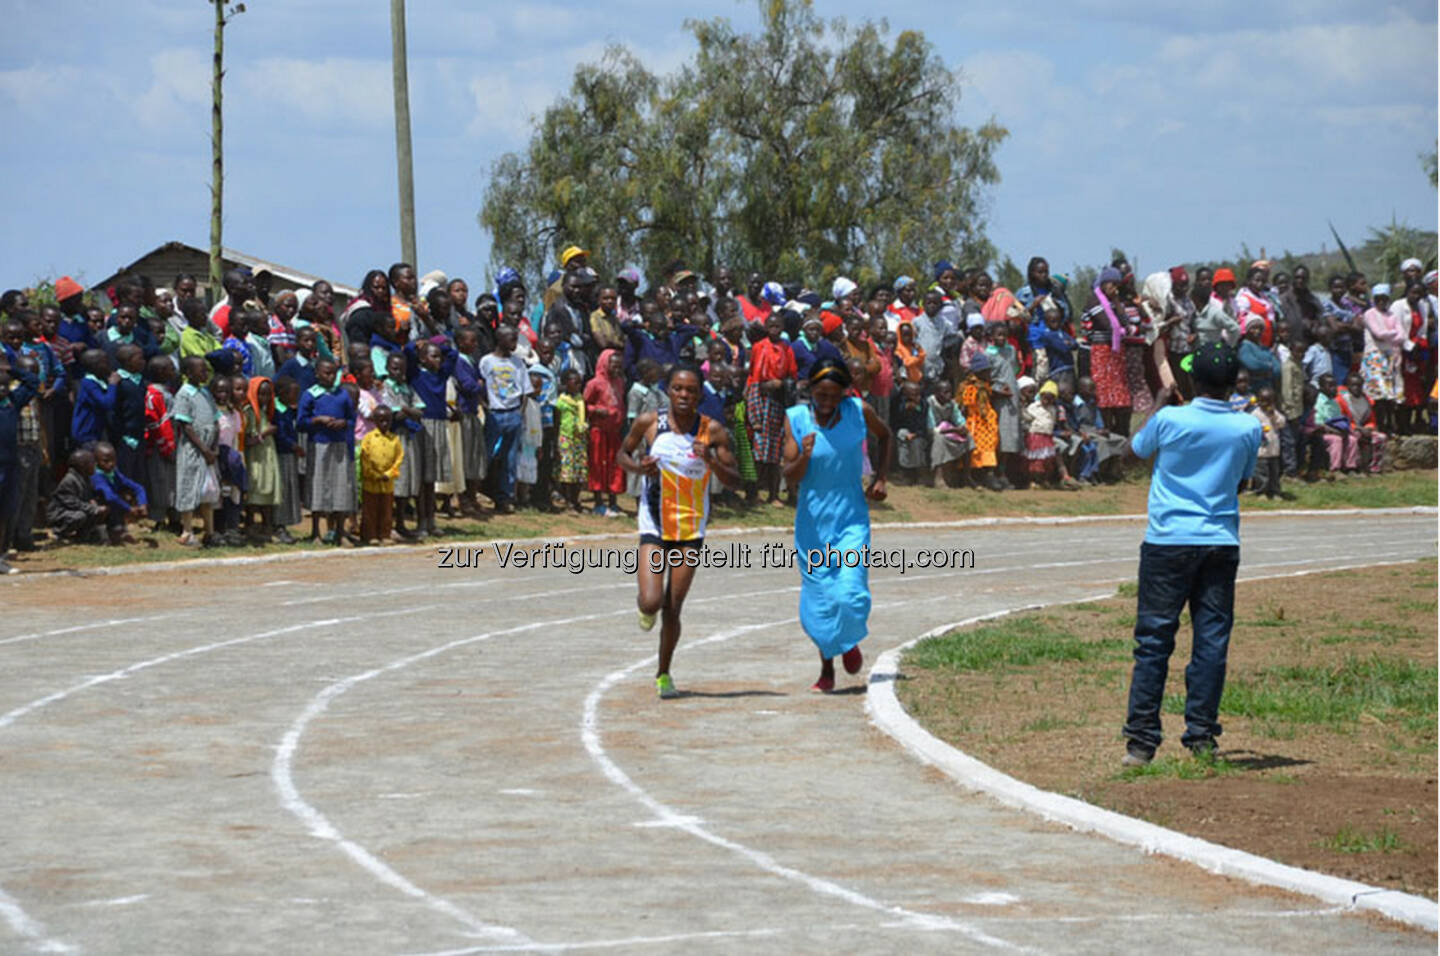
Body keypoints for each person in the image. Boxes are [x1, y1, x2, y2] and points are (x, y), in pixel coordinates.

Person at [1121, 342, 1262, 767]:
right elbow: (1241, 483)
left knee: (1153, 642)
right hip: (1220, 541)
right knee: (1211, 641)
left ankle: (1141, 743)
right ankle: (1201, 736)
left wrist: (1159, 405)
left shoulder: (1169, 418)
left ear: (1192, 380)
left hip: (1168, 541)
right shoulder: (1247, 427)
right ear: (1233, 383)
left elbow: (1131, 455)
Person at [618, 363, 741, 698]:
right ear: (668, 390)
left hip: (690, 527)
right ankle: (645, 607)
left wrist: (712, 460)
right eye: (677, 389)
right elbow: (622, 454)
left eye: (690, 390)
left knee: (673, 607)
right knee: (653, 600)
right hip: (655, 522)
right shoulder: (648, 424)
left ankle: (663, 672)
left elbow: (736, 479)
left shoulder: (713, 430)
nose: (684, 395)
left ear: (699, 393)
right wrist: (639, 469)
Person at [782, 357, 892, 693]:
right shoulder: (796, 419)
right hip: (812, 521)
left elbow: (885, 436)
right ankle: (827, 668)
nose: (827, 402)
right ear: (811, 390)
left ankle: (848, 641)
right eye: (821, 395)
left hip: (851, 518)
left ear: (844, 392)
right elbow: (790, 475)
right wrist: (804, 454)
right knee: (821, 598)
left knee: (850, 592)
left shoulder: (859, 411)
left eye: (833, 395)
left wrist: (880, 478)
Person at [298, 358, 356, 545]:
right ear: (317, 374)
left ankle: (340, 532)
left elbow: (352, 419)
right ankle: (316, 532)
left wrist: (344, 423)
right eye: (326, 373)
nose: (330, 377)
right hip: (319, 444)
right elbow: (301, 422)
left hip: (339, 445)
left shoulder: (342, 395)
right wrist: (317, 420)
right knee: (318, 486)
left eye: (333, 373)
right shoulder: (310, 395)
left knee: (341, 487)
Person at [746, 312, 798, 505]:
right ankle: (753, 493)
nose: (775, 330)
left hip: (777, 400)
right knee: (758, 451)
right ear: (766, 327)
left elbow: (792, 375)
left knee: (775, 453)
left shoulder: (786, 349)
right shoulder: (759, 347)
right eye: (771, 326)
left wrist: (781, 383)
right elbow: (753, 375)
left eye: (778, 327)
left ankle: (774, 495)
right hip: (759, 396)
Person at [480, 325, 533, 514]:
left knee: (510, 459)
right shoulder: (486, 361)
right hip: (494, 414)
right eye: (511, 339)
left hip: (513, 414)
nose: (514, 343)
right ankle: (477, 492)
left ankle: (505, 497)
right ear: (500, 339)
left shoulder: (518, 363)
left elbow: (525, 392)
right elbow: (480, 385)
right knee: (486, 455)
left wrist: (520, 412)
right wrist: (486, 408)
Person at [171, 356, 221, 547]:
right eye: (201, 370)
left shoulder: (205, 393)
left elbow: (216, 420)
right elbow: (186, 425)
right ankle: (187, 530)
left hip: (208, 447)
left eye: (206, 370)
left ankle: (210, 530)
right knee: (189, 486)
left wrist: (214, 446)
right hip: (194, 448)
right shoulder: (184, 394)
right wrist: (204, 448)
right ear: (188, 373)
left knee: (208, 490)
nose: (205, 374)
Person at [584, 348, 628, 517]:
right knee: (597, 464)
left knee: (614, 465)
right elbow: (584, 404)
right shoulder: (595, 383)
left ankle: (613, 502)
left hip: (614, 431)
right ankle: (598, 503)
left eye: (619, 366)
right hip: (599, 430)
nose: (617, 369)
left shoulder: (619, 382)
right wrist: (596, 410)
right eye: (613, 365)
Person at [359, 404, 404, 544]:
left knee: (386, 511)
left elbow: (399, 458)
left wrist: (389, 474)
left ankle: (385, 534)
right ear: (374, 421)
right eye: (381, 420)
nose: (384, 424)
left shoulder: (395, 439)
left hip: (387, 483)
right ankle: (370, 535)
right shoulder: (369, 438)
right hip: (371, 482)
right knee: (370, 510)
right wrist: (373, 474)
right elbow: (364, 458)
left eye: (387, 421)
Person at [1249, 387, 1285, 498]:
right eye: (1262, 401)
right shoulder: (1255, 414)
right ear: (1258, 401)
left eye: (1268, 401)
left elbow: (1282, 423)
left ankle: (1275, 491)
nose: (1265, 404)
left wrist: (1273, 415)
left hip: (1273, 449)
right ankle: (1261, 491)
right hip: (1261, 450)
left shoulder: (1274, 413)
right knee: (1261, 473)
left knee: (1274, 473)